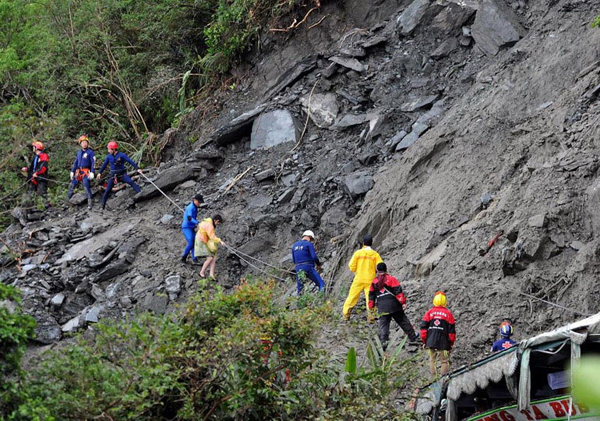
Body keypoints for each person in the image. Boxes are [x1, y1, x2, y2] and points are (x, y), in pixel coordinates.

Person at [368, 262, 420, 351]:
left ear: (377, 271)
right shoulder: (391, 279)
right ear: (386, 269)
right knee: (403, 321)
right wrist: (403, 302)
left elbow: (371, 296)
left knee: (383, 327)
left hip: (382, 308)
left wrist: (371, 307)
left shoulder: (374, 282)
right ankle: (413, 337)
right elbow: (398, 292)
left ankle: (383, 346)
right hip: (394, 306)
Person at [342, 234, 383, 322]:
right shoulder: (375, 254)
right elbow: (380, 266)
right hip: (370, 279)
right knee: (370, 298)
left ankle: (345, 316)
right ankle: (371, 317)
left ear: (363, 243)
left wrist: (357, 270)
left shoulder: (358, 253)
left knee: (352, 297)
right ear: (371, 243)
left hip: (359, 278)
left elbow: (351, 266)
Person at [98, 141, 142, 210]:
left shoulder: (121, 155)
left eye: (109, 149)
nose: (108, 150)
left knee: (131, 182)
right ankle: (102, 206)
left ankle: (141, 194)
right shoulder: (109, 156)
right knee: (107, 190)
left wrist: (137, 168)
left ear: (113, 149)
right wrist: (99, 173)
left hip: (122, 175)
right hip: (113, 176)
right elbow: (104, 165)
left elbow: (130, 161)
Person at [420, 291, 456, 377]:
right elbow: (451, 332)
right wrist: (451, 343)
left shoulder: (429, 313)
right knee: (444, 361)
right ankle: (443, 378)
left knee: (432, 360)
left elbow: (423, 329)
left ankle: (433, 379)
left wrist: (424, 341)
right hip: (444, 342)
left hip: (431, 340)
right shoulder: (448, 314)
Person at [291, 230, 325, 294]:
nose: (311, 241)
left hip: (298, 268)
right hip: (308, 267)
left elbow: (294, 260)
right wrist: (318, 264)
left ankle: (300, 303)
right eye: (311, 239)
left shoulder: (294, 245)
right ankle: (322, 300)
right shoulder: (308, 244)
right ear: (309, 237)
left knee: (300, 290)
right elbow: (314, 257)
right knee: (321, 284)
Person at [67, 135, 96, 209]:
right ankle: (69, 201)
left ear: (87, 143)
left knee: (86, 185)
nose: (84, 144)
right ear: (80, 144)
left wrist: (92, 172)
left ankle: (90, 202)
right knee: (72, 185)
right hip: (78, 171)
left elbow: (93, 163)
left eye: (85, 142)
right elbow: (76, 162)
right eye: (82, 142)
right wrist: (72, 171)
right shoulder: (79, 152)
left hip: (86, 171)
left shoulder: (90, 152)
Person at [195, 214, 224, 279]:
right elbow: (212, 236)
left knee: (214, 258)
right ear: (215, 220)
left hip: (203, 240)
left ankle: (211, 275)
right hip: (200, 241)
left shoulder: (207, 221)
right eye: (218, 223)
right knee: (210, 258)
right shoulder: (209, 225)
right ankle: (201, 272)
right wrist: (220, 241)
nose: (217, 225)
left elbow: (199, 226)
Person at [24, 140, 50, 208]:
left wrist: (37, 173)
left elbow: (43, 167)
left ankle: (49, 208)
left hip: (41, 178)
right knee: (31, 194)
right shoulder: (35, 157)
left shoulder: (43, 156)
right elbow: (33, 168)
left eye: (33, 147)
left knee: (42, 193)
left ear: (37, 148)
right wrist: (27, 169)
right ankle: (31, 209)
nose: (33, 148)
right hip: (33, 179)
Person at [181, 194, 204, 264]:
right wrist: (197, 223)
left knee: (195, 242)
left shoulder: (195, 207)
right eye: (198, 202)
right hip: (186, 227)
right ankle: (183, 257)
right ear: (195, 200)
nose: (199, 204)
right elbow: (189, 218)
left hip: (191, 227)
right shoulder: (190, 207)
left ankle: (194, 259)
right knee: (191, 242)